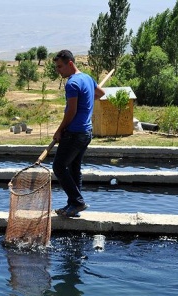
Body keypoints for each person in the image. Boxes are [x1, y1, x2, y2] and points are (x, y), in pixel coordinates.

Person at [52, 49, 105, 217]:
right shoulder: (87, 78)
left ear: (70, 63)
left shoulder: (72, 83)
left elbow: (71, 111)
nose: (58, 70)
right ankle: (73, 206)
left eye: (60, 67)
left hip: (74, 133)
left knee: (59, 167)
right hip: (86, 132)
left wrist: (59, 130)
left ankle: (77, 202)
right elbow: (101, 94)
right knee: (74, 168)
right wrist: (87, 99)